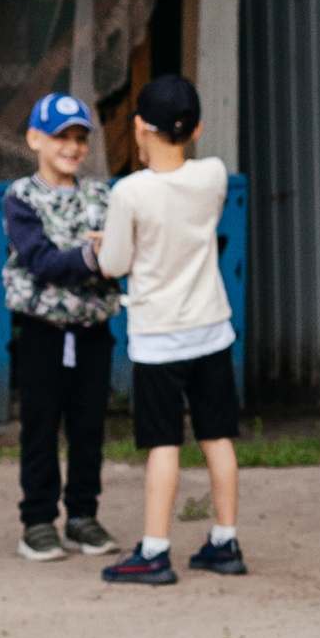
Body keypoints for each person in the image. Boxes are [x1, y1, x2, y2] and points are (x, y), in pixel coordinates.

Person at [91, 75, 244, 588]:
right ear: (196, 128)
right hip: (211, 329)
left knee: (163, 443)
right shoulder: (214, 176)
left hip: (159, 336)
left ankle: (154, 551)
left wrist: (103, 242)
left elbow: (113, 264)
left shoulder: (129, 192)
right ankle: (225, 540)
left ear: (139, 127)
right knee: (216, 437)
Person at [1, 90, 120, 562]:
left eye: (79, 139)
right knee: (41, 425)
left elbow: (122, 251)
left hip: (92, 331)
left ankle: (82, 516)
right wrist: (93, 256)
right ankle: (37, 521)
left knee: (89, 425)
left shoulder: (102, 196)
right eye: (59, 137)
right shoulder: (21, 198)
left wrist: (109, 254)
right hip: (42, 332)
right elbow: (42, 260)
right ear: (35, 139)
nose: (71, 147)